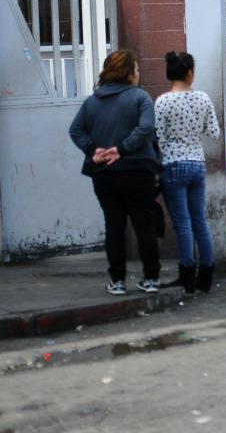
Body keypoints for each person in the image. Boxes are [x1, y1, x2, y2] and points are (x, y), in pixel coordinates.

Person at [69, 49, 162, 296]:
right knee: (144, 225)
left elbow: (75, 130)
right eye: (137, 69)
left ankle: (118, 281)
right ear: (129, 72)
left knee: (114, 225)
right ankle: (151, 279)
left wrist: (94, 151)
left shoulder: (92, 102)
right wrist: (121, 149)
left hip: (104, 174)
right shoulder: (140, 98)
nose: (139, 73)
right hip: (137, 171)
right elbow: (146, 129)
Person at [154, 51, 221, 293]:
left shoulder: (162, 102)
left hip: (173, 164)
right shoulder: (202, 99)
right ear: (190, 73)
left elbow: (158, 138)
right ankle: (207, 273)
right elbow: (214, 132)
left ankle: (186, 273)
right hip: (197, 163)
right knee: (200, 220)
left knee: (182, 223)